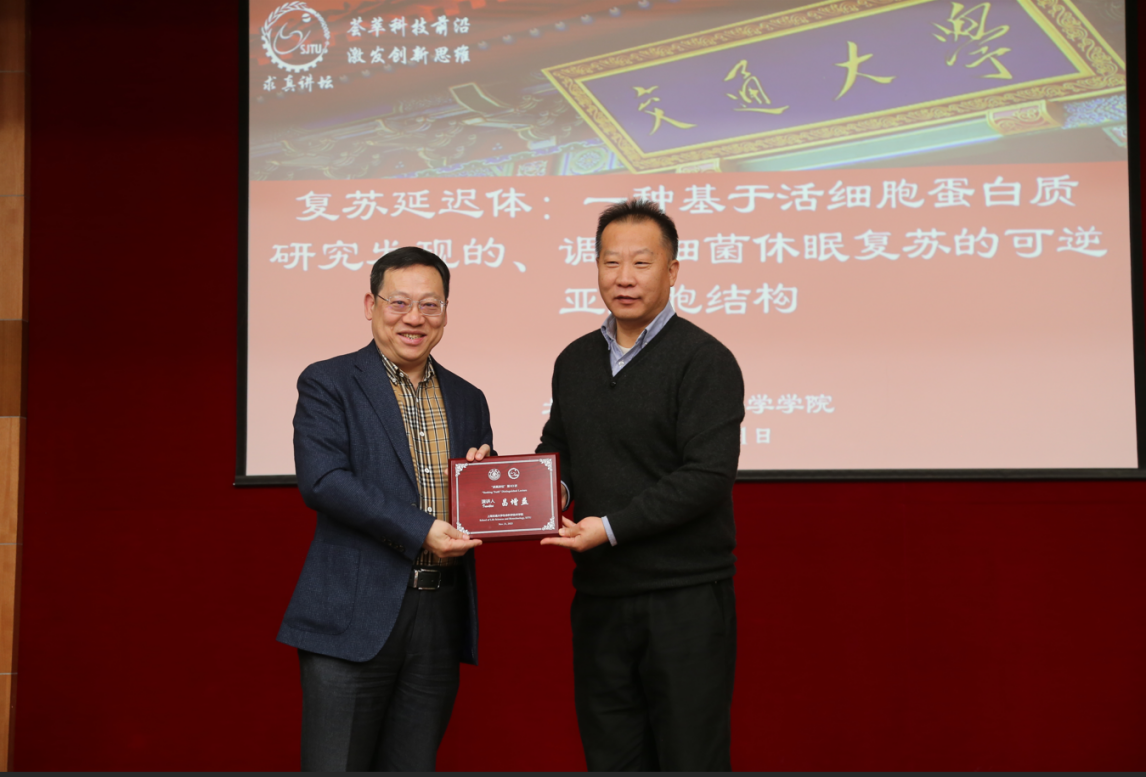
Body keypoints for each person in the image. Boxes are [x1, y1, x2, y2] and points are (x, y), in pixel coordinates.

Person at [537, 199, 744, 771]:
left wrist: (609, 528)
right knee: (611, 759)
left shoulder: (704, 360)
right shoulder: (575, 360)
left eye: (641, 263)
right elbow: (559, 448)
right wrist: (546, 493)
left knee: (690, 759)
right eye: (611, 262)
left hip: (684, 597)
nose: (623, 277)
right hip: (600, 597)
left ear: (672, 271)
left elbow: (707, 476)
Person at [278, 246, 493, 772]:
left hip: (439, 614)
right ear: (370, 305)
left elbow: (481, 495)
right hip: (353, 611)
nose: (414, 318)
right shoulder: (329, 382)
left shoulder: (469, 397)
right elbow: (324, 480)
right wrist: (421, 529)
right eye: (399, 302)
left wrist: (486, 482)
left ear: (446, 312)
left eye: (430, 304)